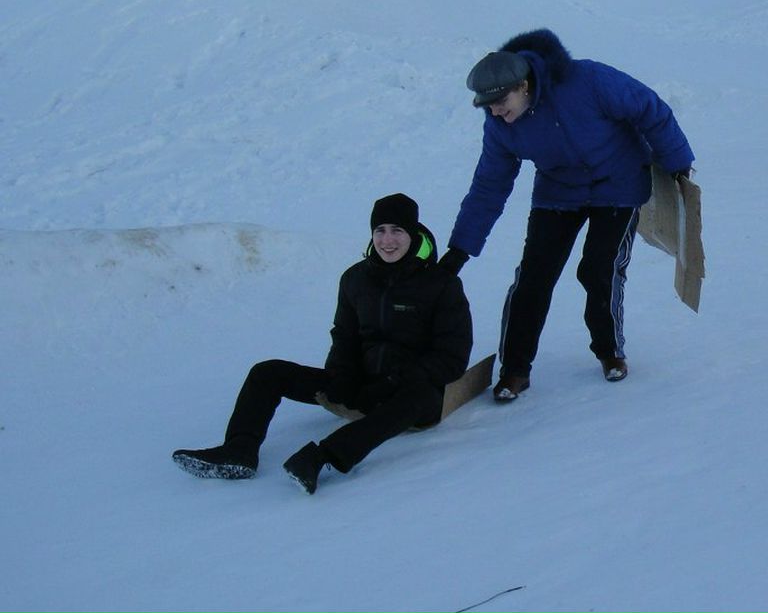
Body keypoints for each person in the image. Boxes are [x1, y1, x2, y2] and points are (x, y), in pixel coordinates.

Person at [440, 28, 695, 403]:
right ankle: (515, 370)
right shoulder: (500, 127)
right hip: (558, 192)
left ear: (524, 85)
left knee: (599, 268)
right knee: (533, 278)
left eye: (500, 101)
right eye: (487, 105)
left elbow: (649, 108)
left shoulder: (588, 80)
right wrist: (460, 249)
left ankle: (610, 351)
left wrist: (676, 163)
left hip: (620, 184)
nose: (495, 111)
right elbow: (489, 187)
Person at [172, 193, 473, 494]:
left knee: (414, 399)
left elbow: (452, 356)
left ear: (413, 233)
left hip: (414, 392)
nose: (387, 240)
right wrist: (344, 377)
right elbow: (344, 336)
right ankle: (239, 451)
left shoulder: (440, 284)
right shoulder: (355, 279)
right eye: (380, 230)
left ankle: (323, 457)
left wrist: (394, 381)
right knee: (267, 372)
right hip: (363, 383)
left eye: (397, 230)